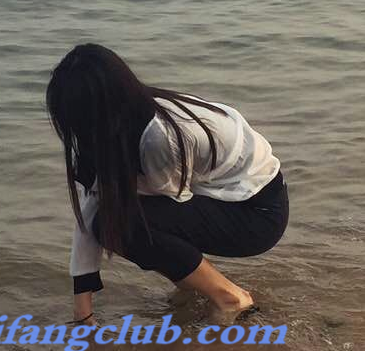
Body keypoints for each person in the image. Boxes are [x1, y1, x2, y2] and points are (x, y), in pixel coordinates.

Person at [46, 44, 288, 324]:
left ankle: (230, 297)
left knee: (125, 224)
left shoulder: (160, 137)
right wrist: (82, 312)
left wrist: (108, 191)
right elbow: (89, 210)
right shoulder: (125, 123)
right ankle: (195, 288)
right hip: (221, 199)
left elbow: (141, 207)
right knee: (114, 219)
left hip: (257, 214)